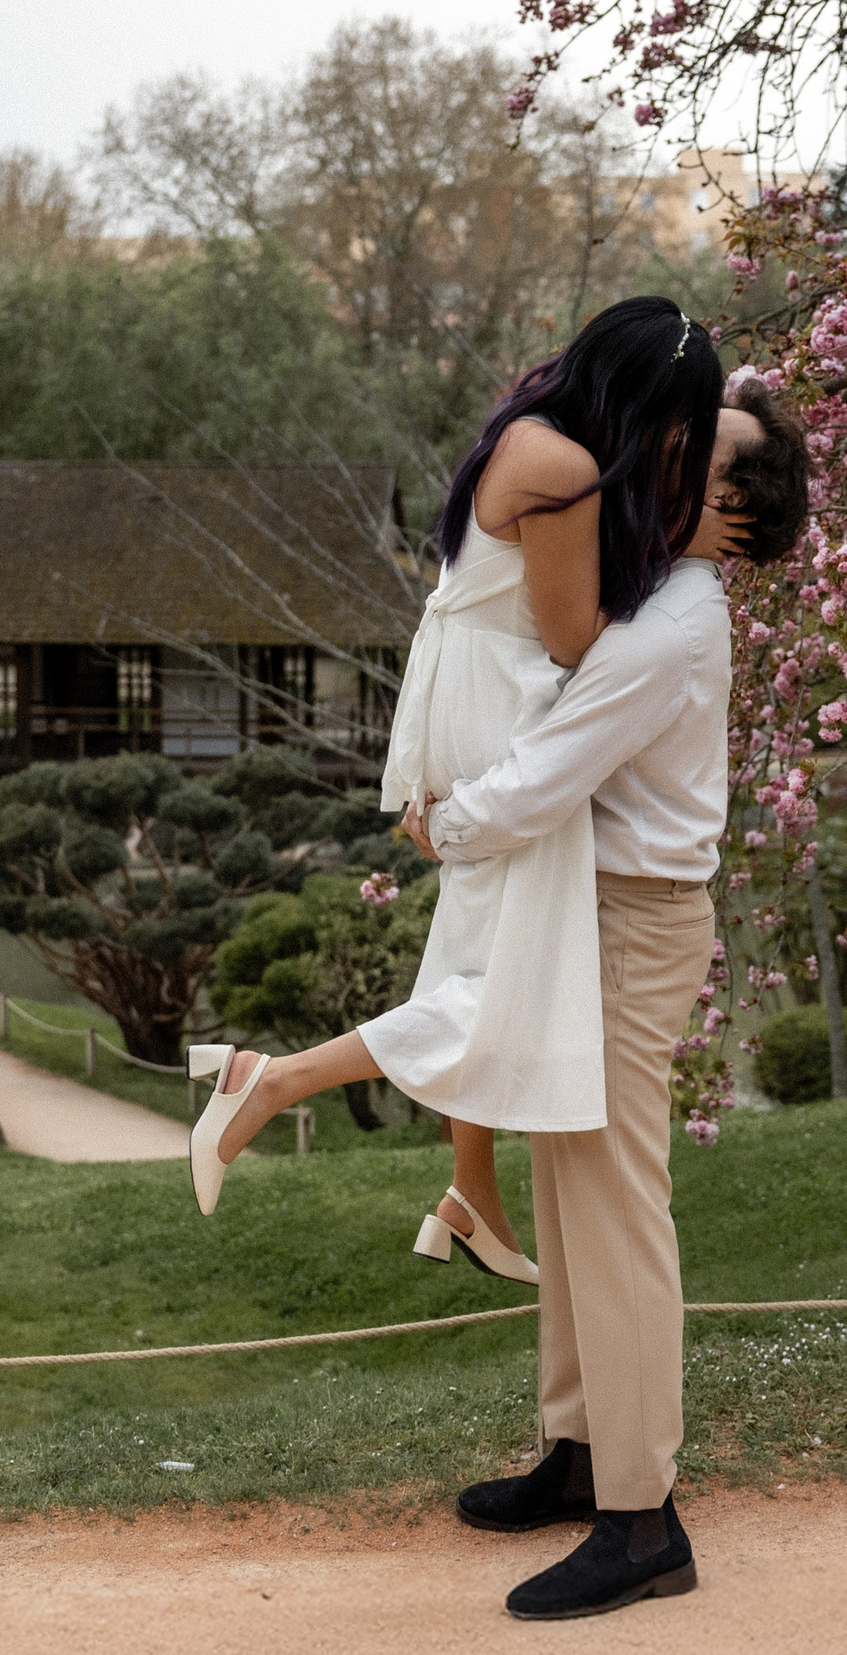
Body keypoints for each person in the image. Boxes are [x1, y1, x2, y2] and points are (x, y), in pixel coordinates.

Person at [183, 296, 723, 1278]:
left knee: (479, 956)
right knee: (511, 981)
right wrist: (671, 606)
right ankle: (269, 1081)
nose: (674, 449)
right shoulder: (567, 470)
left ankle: (471, 1194)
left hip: (464, 697)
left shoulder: (526, 426)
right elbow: (570, 638)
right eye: (677, 428)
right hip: (507, 707)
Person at [428, 370, 807, 1620]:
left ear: (735, 519)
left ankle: (641, 1519)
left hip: (631, 926)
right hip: (596, 916)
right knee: (566, 1183)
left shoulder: (677, 622)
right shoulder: (657, 593)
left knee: (614, 1205)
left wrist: (451, 826)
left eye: (703, 467)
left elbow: (555, 762)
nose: (672, 464)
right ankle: (583, 1453)